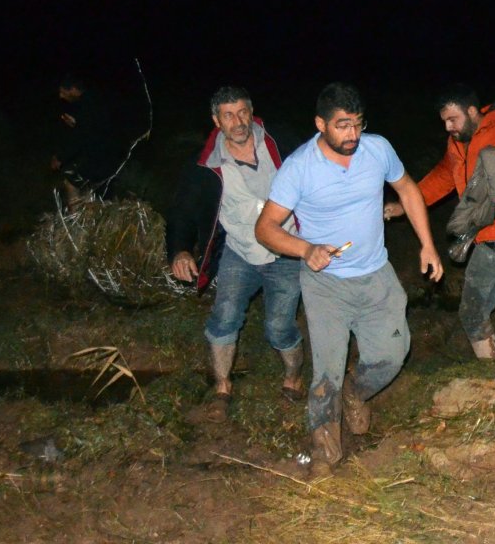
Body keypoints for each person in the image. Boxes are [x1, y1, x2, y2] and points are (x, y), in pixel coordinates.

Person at [255, 82, 443, 475]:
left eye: (358, 124)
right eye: (342, 125)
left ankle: (355, 393)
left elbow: (408, 189)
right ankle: (324, 455)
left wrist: (427, 244)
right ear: (320, 124)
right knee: (327, 372)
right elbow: (265, 228)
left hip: (376, 275)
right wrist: (306, 249)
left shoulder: (377, 149)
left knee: (393, 353)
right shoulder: (299, 167)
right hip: (327, 285)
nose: (352, 134)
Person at [386, 84, 495, 359]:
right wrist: (403, 206)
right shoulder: (457, 144)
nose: (448, 127)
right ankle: (493, 370)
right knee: (471, 314)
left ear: (471, 111)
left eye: (452, 119)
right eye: (444, 121)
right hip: (487, 245)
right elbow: (443, 176)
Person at [165, 86, 303, 423]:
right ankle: (222, 388)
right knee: (223, 318)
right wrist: (180, 250)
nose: (238, 122)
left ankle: (293, 378)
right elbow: (181, 211)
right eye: (228, 115)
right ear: (216, 120)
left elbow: (320, 176)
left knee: (279, 327)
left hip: (288, 251)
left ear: (252, 112)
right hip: (239, 252)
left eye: (242, 112)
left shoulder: (282, 142)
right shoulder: (204, 164)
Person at [50, 74, 128, 210]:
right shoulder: (95, 100)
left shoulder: (85, 105)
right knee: (101, 192)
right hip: (111, 154)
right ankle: (105, 214)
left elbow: (80, 137)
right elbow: (94, 128)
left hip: (101, 157)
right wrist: (76, 124)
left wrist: (60, 158)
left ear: (74, 89)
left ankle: (75, 218)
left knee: (71, 183)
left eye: (63, 92)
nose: (61, 96)